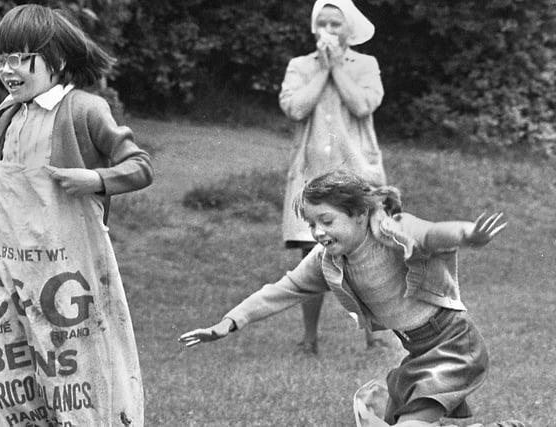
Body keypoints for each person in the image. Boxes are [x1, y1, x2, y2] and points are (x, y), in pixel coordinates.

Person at [179, 168, 522, 427]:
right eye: (311, 224)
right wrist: (229, 322)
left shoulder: (393, 231)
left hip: (453, 345)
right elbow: (281, 290)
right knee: (385, 417)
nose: (317, 232)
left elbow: (433, 234)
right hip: (419, 351)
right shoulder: (326, 261)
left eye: (326, 220)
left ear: (359, 214)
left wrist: (469, 235)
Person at [0, 5, 152, 426]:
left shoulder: (85, 109)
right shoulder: (9, 116)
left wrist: (96, 179)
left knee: (79, 360)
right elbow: (15, 183)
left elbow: (140, 165)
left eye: (20, 58)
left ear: (58, 60)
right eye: (0, 60)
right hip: (17, 262)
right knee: (23, 357)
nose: (7, 70)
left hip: (72, 268)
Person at [279, 0, 387, 354]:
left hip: (356, 172)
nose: (327, 30)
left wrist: (337, 67)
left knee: (366, 251)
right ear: (313, 27)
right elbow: (294, 108)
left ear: (348, 29)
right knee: (311, 253)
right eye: (321, 23)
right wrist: (322, 70)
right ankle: (309, 339)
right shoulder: (299, 66)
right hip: (312, 173)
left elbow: (362, 105)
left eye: (335, 24)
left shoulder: (365, 64)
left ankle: (375, 334)